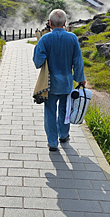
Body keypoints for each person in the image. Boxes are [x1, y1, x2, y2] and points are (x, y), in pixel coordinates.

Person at [33, 9, 86, 151]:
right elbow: (78, 61)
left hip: (50, 84)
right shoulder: (72, 38)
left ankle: (52, 142)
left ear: (50, 23)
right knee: (65, 109)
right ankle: (63, 135)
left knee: (50, 111)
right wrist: (81, 79)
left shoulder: (45, 39)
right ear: (65, 23)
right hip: (67, 83)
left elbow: (38, 61)